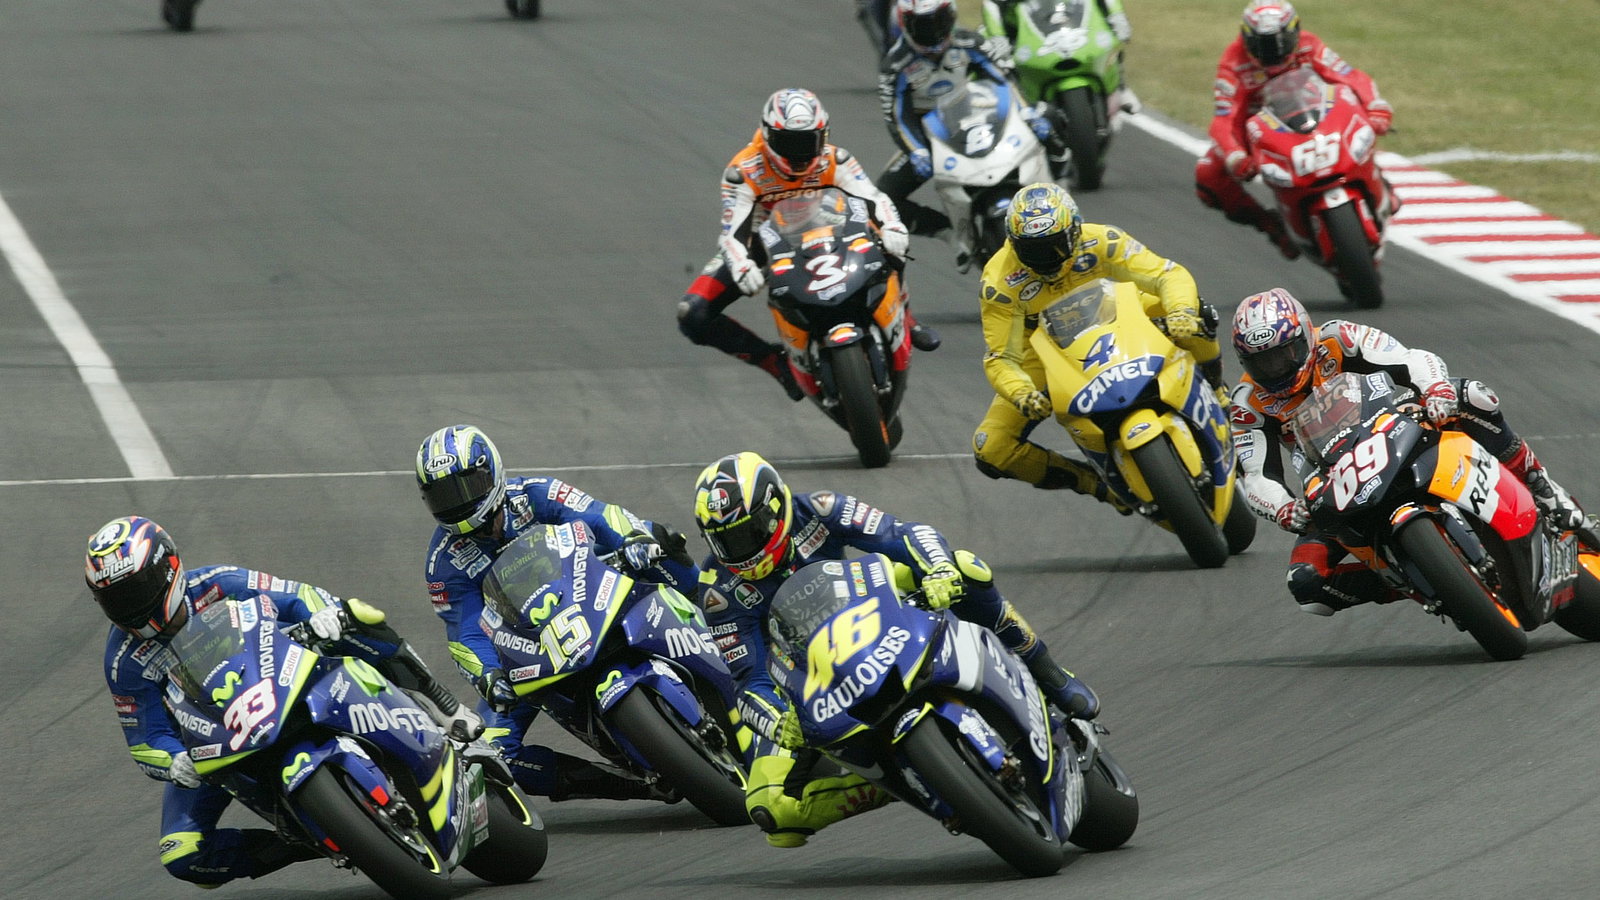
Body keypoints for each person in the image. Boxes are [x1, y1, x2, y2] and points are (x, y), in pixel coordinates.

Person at [691, 450, 1099, 847]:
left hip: (872, 606)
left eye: (749, 531)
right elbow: (749, 679)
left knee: (965, 567)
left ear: (777, 505)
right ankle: (910, 782)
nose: (742, 549)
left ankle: (1048, 672)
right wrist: (777, 720)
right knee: (771, 808)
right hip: (805, 675)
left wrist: (938, 569)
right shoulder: (719, 593)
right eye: (727, 541)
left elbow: (899, 533)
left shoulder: (821, 508)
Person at [88, 515, 483, 888]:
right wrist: (174, 761)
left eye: (135, 591)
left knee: (358, 617)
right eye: (114, 599)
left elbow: (295, 595)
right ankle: (304, 838)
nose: (128, 606)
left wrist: (322, 613)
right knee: (183, 854)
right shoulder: (124, 660)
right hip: (215, 740)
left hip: (281, 676)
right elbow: (145, 739)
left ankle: (439, 704)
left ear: (168, 568)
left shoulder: (218, 582)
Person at [1229, 288, 1596, 615]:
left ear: (1304, 337)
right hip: (1336, 484)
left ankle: (1541, 485)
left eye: (1283, 355)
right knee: (1308, 584)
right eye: (1263, 363)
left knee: (1472, 395)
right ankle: (1417, 580)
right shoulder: (1248, 403)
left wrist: (1435, 389)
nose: (1275, 369)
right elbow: (1257, 475)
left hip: (1400, 427)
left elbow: (1411, 359)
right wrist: (1282, 508)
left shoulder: (1340, 337)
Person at [416, 424, 702, 802]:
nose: (457, 502)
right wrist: (489, 678)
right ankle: (629, 784)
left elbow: (600, 516)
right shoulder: (444, 563)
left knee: (661, 540)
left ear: (492, 472)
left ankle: (720, 625)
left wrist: (634, 540)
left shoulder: (536, 494)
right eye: (442, 495)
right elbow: (464, 631)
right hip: (528, 648)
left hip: (592, 592)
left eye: (465, 487)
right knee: (491, 755)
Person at [678, 88, 940, 404]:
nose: (800, 154)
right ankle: (775, 363)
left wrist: (893, 226)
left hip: (831, 223)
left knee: (888, 238)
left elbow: (874, 198)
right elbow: (733, 233)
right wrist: (742, 265)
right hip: (766, 240)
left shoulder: (835, 157)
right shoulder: (743, 171)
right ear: (768, 135)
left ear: (823, 135)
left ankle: (906, 317)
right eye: (789, 143)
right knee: (692, 313)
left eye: (808, 142)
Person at [973, 182, 1223, 507]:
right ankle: (1095, 483)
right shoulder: (998, 283)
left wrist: (1181, 311)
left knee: (1197, 311)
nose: (1047, 260)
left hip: (1115, 316)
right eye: (1032, 250)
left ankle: (1218, 395)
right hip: (1042, 353)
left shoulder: (1102, 239)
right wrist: (1020, 391)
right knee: (990, 447)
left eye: (1056, 246)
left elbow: (1167, 275)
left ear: (1074, 230)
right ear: (1013, 242)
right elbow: (1000, 357)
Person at [1195, 0, 1396, 260]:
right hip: (1262, 128)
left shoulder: (1309, 43)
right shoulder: (1233, 63)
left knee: (1357, 114)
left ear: (1295, 32)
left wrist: (1375, 106)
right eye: (1263, 45)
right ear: (1246, 39)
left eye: (1281, 42)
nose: (1274, 53)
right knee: (1208, 175)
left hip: (1316, 113)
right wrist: (1235, 156)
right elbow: (1223, 118)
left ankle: (1378, 180)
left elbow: (1348, 76)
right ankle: (1273, 226)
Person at [877, 0, 1072, 263]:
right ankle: (949, 232)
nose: (932, 31)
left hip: (978, 111)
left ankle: (1060, 180)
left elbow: (1003, 77)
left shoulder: (969, 41)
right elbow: (896, 117)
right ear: (905, 24)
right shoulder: (895, 63)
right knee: (883, 198)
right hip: (927, 133)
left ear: (951, 15)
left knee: (1047, 115)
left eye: (938, 20)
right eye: (923, 24)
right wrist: (918, 151)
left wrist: (1025, 111)